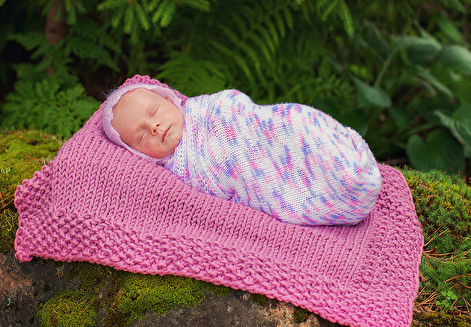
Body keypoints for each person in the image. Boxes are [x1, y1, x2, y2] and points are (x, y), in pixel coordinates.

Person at [102, 78, 381, 226]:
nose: (154, 126)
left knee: (294, 123)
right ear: (139, 156)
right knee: (284, 190)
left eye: (154, 112)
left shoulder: (205, 109)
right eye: (141, 135)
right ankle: (342, 188)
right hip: (257, 178)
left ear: (169, 99)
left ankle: (341, 159)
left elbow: (239, 110)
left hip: (269, 131)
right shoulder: (177, 172)